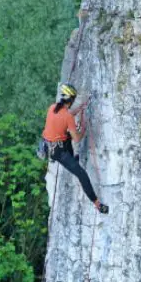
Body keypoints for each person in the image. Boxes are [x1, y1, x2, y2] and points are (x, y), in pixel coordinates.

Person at [42, 84, 109, 214]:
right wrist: (83, 129)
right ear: (71, 100)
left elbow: (62, 119)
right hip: (58, 152)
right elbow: (77, 138)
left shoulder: (52, 108)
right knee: (81, 174)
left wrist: (79, 110)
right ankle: (97, 204)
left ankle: (72, 159)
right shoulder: (68, 117)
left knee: (67, 136)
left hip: (49, 144)